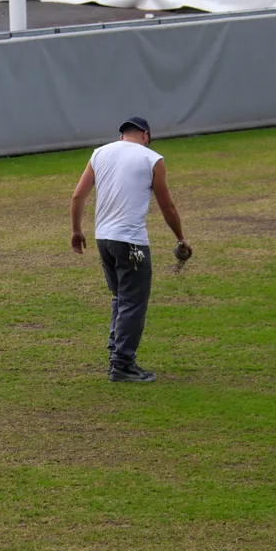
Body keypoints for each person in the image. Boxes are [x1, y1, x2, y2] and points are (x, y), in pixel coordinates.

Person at [69, 117, 190, 383]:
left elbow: (78, 196)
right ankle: (123, 365)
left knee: (120, 297)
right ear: (145, 135)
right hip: (132, 243)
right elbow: (166, 205)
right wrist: (181, 238)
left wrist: (77, 231)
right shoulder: (151, 159)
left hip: (104, 241)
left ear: (122, 135)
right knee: (133, 302)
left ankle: (116, 354)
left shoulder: (99, 153)